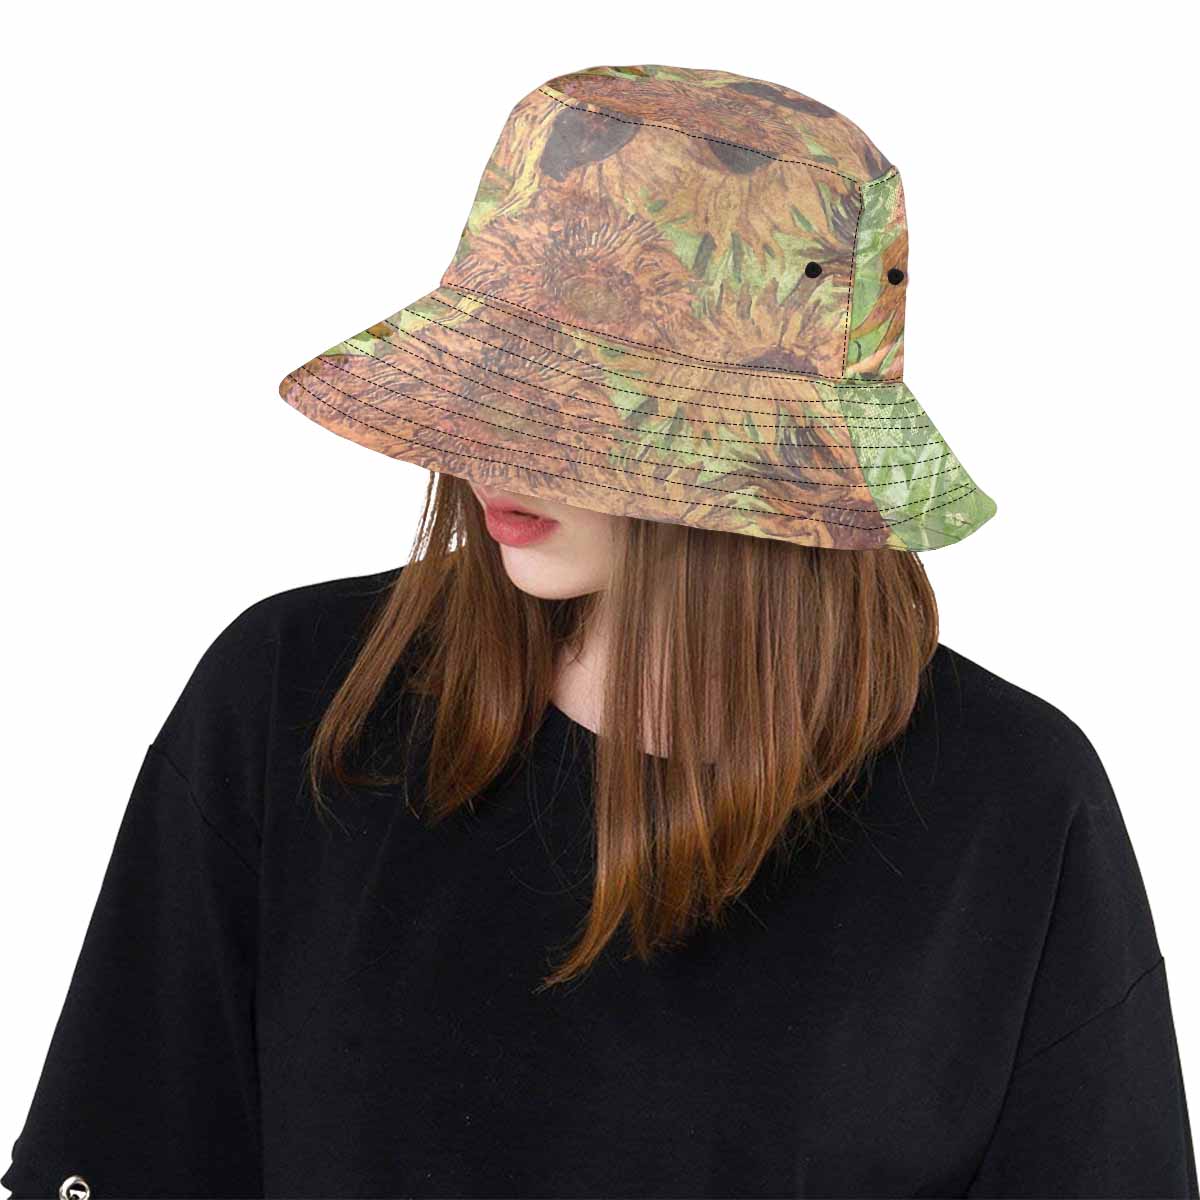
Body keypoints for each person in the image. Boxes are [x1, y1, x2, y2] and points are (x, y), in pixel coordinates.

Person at [4, 64, 1195, 1200]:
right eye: (494, 382)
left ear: (759, 462)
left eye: (573, 410)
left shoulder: (1007, 805)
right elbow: (138, 1149)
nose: (490, 450)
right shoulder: (304, 699)